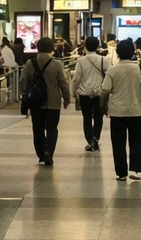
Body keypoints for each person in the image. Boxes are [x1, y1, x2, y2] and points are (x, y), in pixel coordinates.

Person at [100, 38, 141, 181]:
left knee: (118, 143)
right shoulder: (139, 68)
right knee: (137, 141)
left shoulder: (113, 70)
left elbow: (105, 90)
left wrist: (102, 107)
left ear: (118, 53)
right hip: (137, 110)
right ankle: (136, 170)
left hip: (117, 112)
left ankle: (121, 173)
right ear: (133, 52)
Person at [19, 37, 70, 168]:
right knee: (52, 129)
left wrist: (25, 94)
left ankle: (41, 155)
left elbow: (22, 81)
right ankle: (49, 151)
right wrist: (67, 98)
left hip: (36, 103)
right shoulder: (57, 64)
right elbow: (63, 84)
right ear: (52, 48)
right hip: (53, 102)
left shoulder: (30, 63)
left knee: (38, 129)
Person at [71, 36, 109, 152]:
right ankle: (95, 139)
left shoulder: (81, 61)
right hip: (100, 93)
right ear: (98, 46)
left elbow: (76, 78)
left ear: (85, 46)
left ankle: (89, 141)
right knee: (99, 118)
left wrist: (73, 91)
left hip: (84, 93)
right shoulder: (104, 60)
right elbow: (108, 77)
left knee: (86, 118)